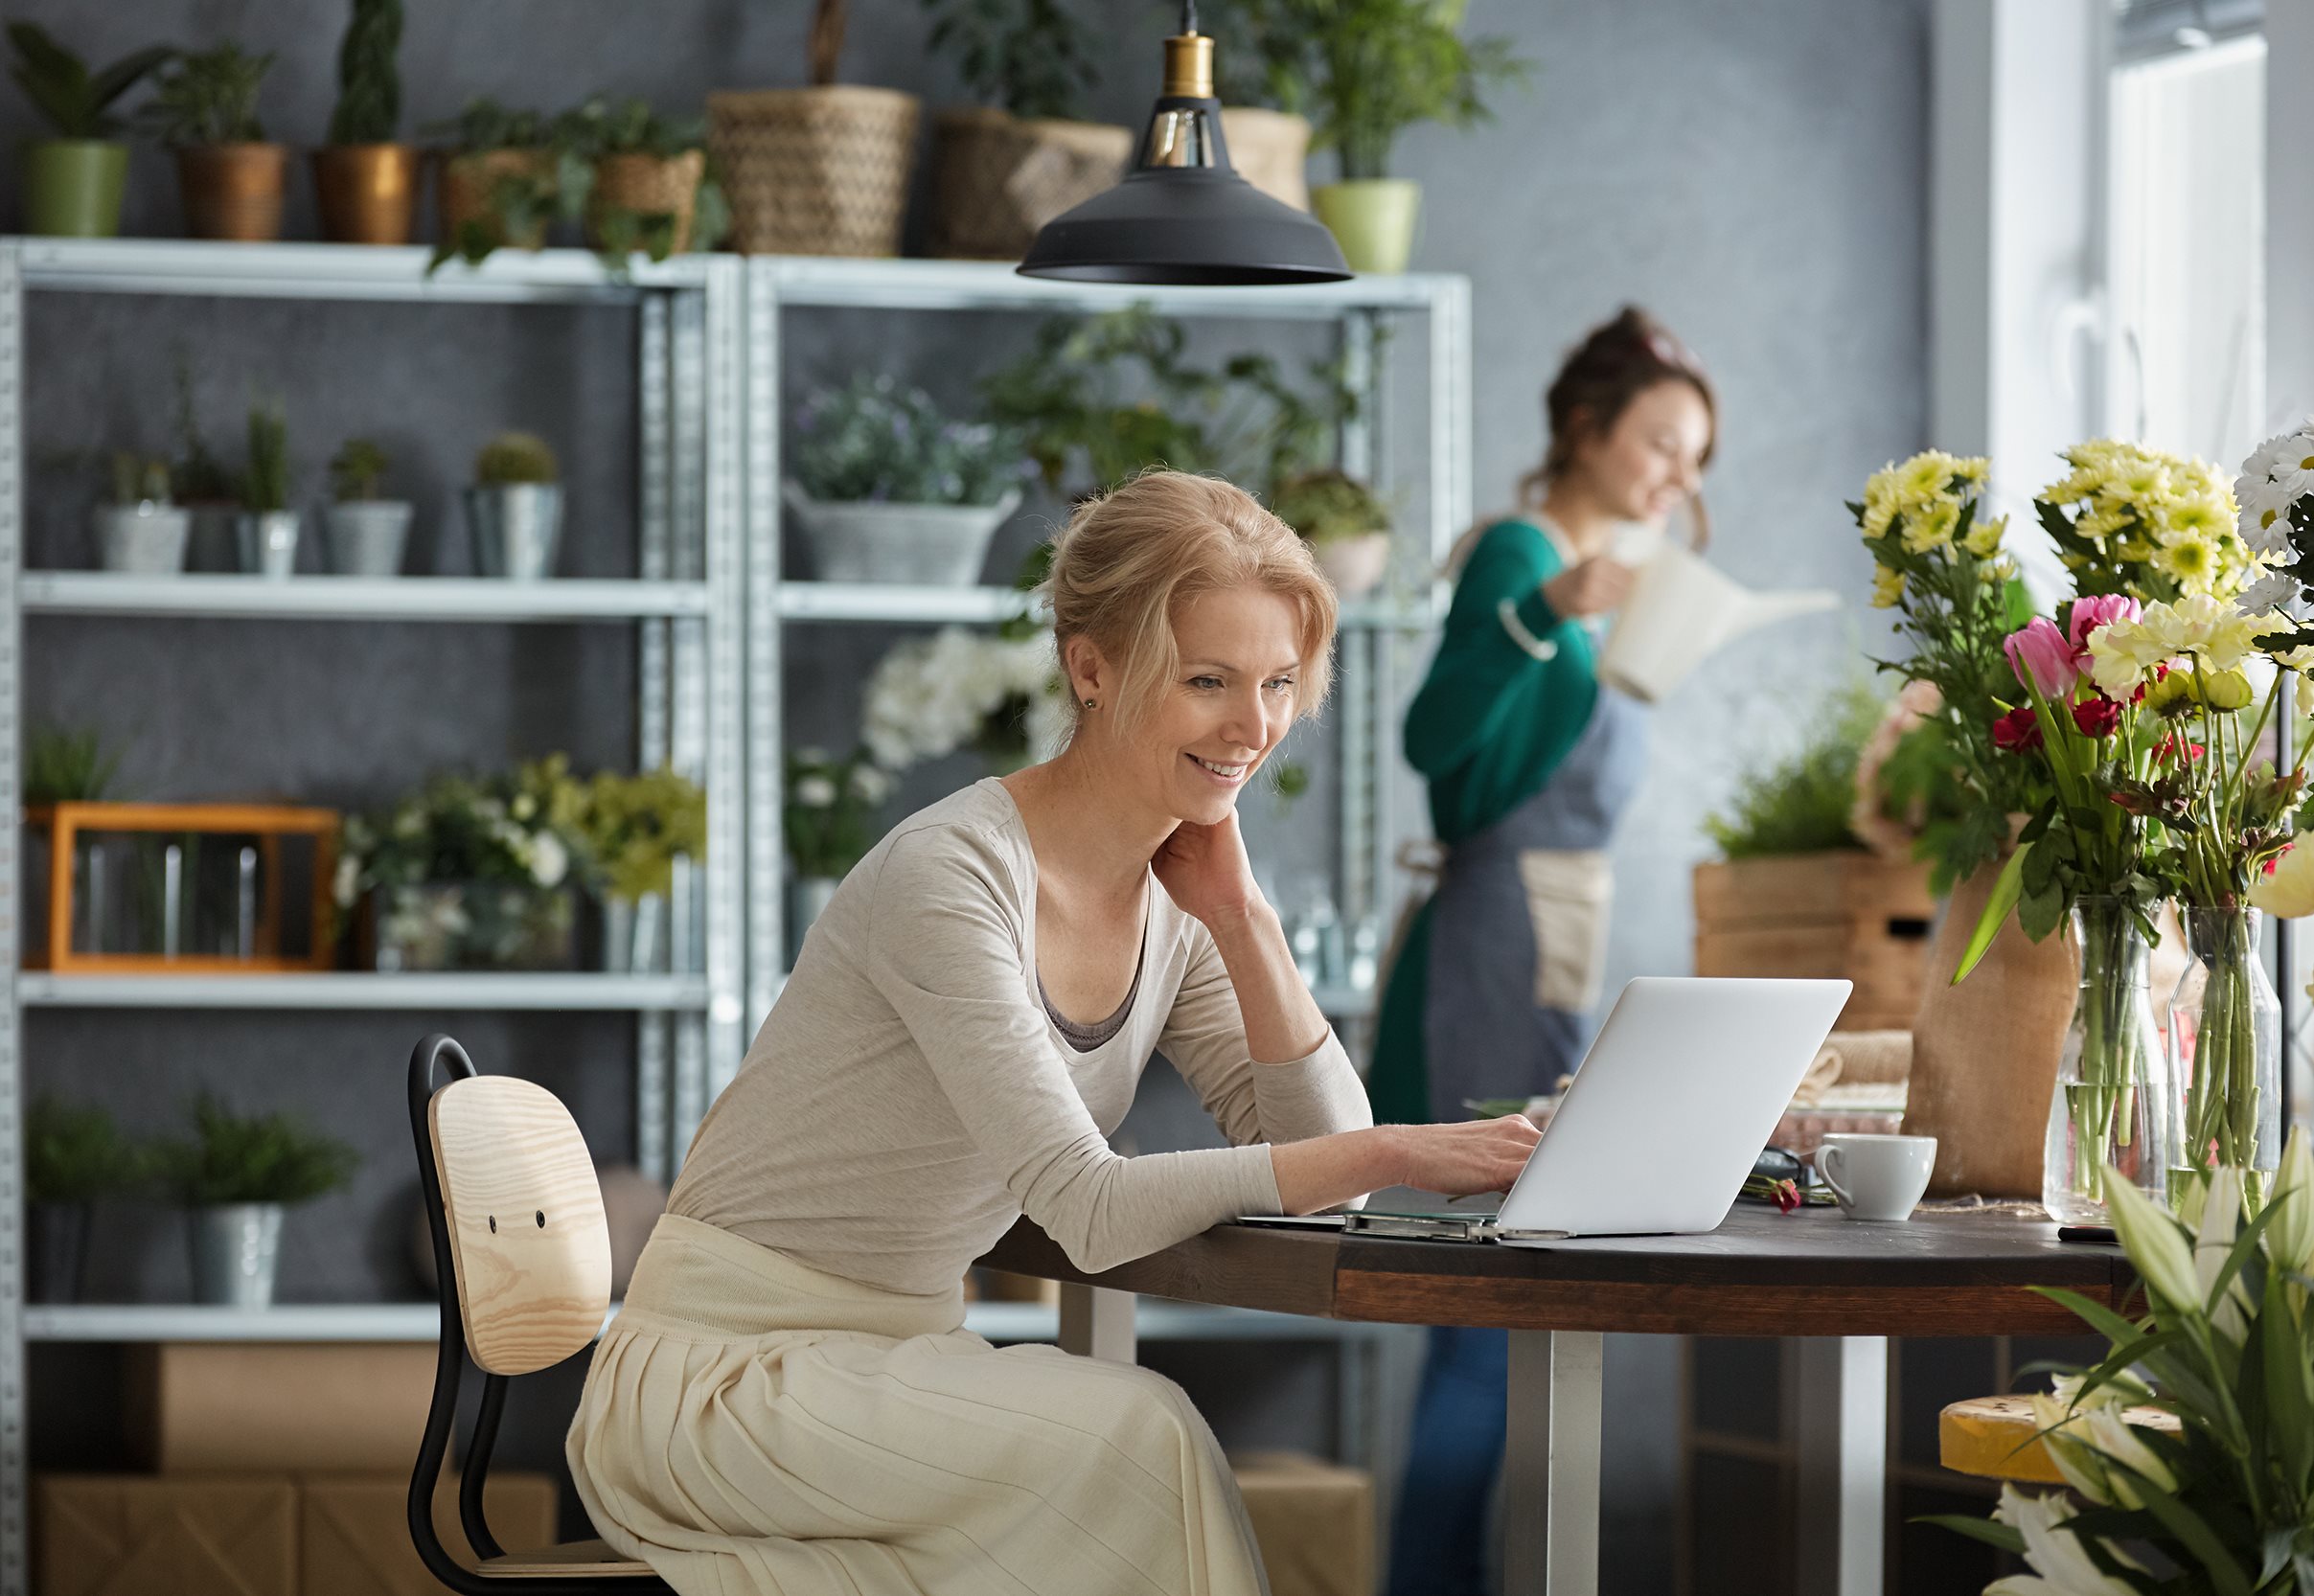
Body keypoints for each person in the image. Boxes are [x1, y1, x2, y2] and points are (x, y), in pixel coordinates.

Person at [567, 469, 1541, 1596]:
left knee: (1122, 1455)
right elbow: (1086, 1207)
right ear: (1092, 667)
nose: (1254, 726)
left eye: (1279, 683)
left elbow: (1331, 1178)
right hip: (723, 1382)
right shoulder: (950, 875)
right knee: (1138, 1432)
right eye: (1210, 680)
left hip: (891, 1366)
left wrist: (1244, 917)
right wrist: (1399, 1148)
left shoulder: (1177, 898)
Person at [1370, 308, 1717, 1596]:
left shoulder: (1612, 578)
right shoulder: (1524, 557)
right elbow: (1435, 743)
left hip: (1552, 941)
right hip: (1494, 950)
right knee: (1488, 1298)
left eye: (1698, 461)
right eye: (1663, 444)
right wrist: (1542, 610)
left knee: (1514, 1302)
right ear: (1586, 429)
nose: (1680, 478)